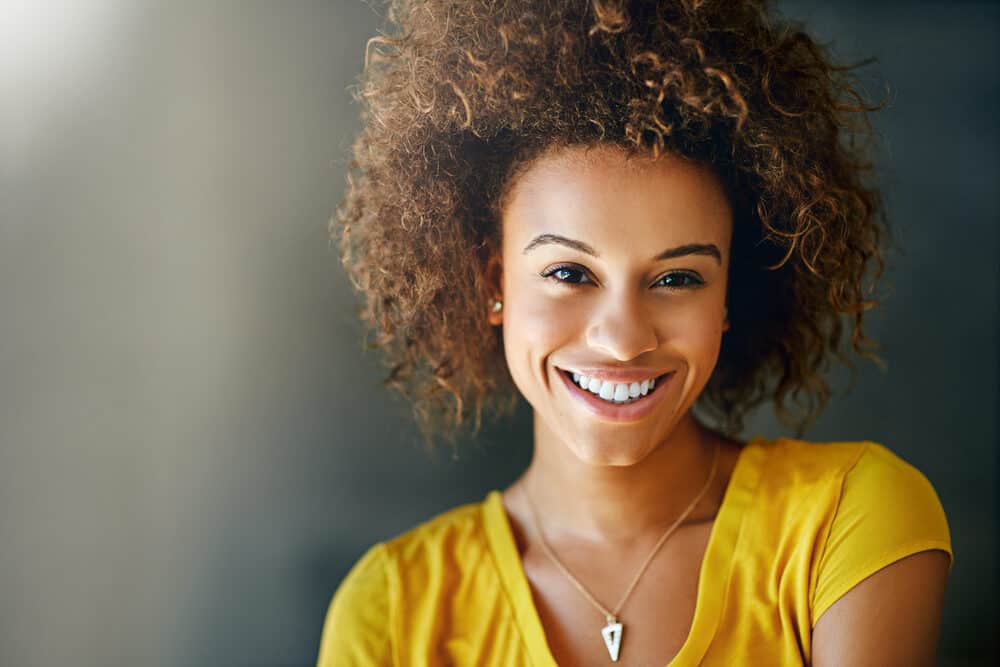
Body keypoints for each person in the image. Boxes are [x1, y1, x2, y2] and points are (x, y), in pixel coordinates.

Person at [317, 0, 953, 664]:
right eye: (569, 271)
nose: (623, 338)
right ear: (494, 282)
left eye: (678, 278)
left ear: (731, 294)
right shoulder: (391, 610)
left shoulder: (847, 526)